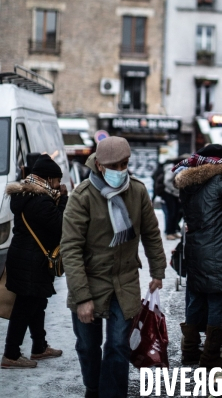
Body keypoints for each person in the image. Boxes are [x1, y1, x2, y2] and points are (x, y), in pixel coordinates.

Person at [61, 136, 166, 398]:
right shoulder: (81, 197)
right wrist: (83, 297)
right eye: (114, 165)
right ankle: (93, 388)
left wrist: (158, 271)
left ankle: (111, 394)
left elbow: (151, 233)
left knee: (118, 344)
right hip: (89, 281)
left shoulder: (138, 192)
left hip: (125, 281)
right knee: (88, 345)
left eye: (124, 164)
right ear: (99, 165)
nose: (121, 171)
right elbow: (70, 249)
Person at [174, 143, 222, 369]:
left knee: (195, 301)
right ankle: (210, 357)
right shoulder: (219, 182)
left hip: (194, 250)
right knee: (218, 303)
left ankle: (190, 352)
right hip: (218, 251)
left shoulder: (187, 184)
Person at [1, 154, 67, 369]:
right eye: (57, 180)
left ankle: (39, 346)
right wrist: (64, 200)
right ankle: (11, 354)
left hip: (26, 256)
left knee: (37, 302)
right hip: (31, 259)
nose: (59, 184)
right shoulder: (40, 200)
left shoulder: (26, 195)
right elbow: (60, 226)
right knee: (24, 306)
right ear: (48, 179)